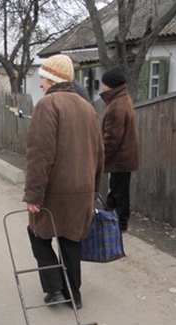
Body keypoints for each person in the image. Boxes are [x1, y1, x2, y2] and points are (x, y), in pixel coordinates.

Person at [24, 54, 104, 309]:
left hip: (54, 191)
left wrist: (34, 195)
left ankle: (55, 289)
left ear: (54, 79)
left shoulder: (48, 105)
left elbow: (40, 154)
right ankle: (74, 296)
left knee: (38, 233)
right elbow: (99, 154)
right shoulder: (87, 107)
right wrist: (93, 189)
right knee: (70, 239)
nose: (40, 84)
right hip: (82, 191)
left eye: (44, 78)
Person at [100, 67, 139, 233]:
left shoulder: (117, 105)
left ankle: (120, 224)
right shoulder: (122, 100)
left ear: (111, 86)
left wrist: (101, 156)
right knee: (117, 190)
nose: (102, 88)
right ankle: (112, 220)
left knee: (119, 192)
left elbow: (112, 138)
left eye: (105, 84)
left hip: (120, 158)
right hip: (123, 157)